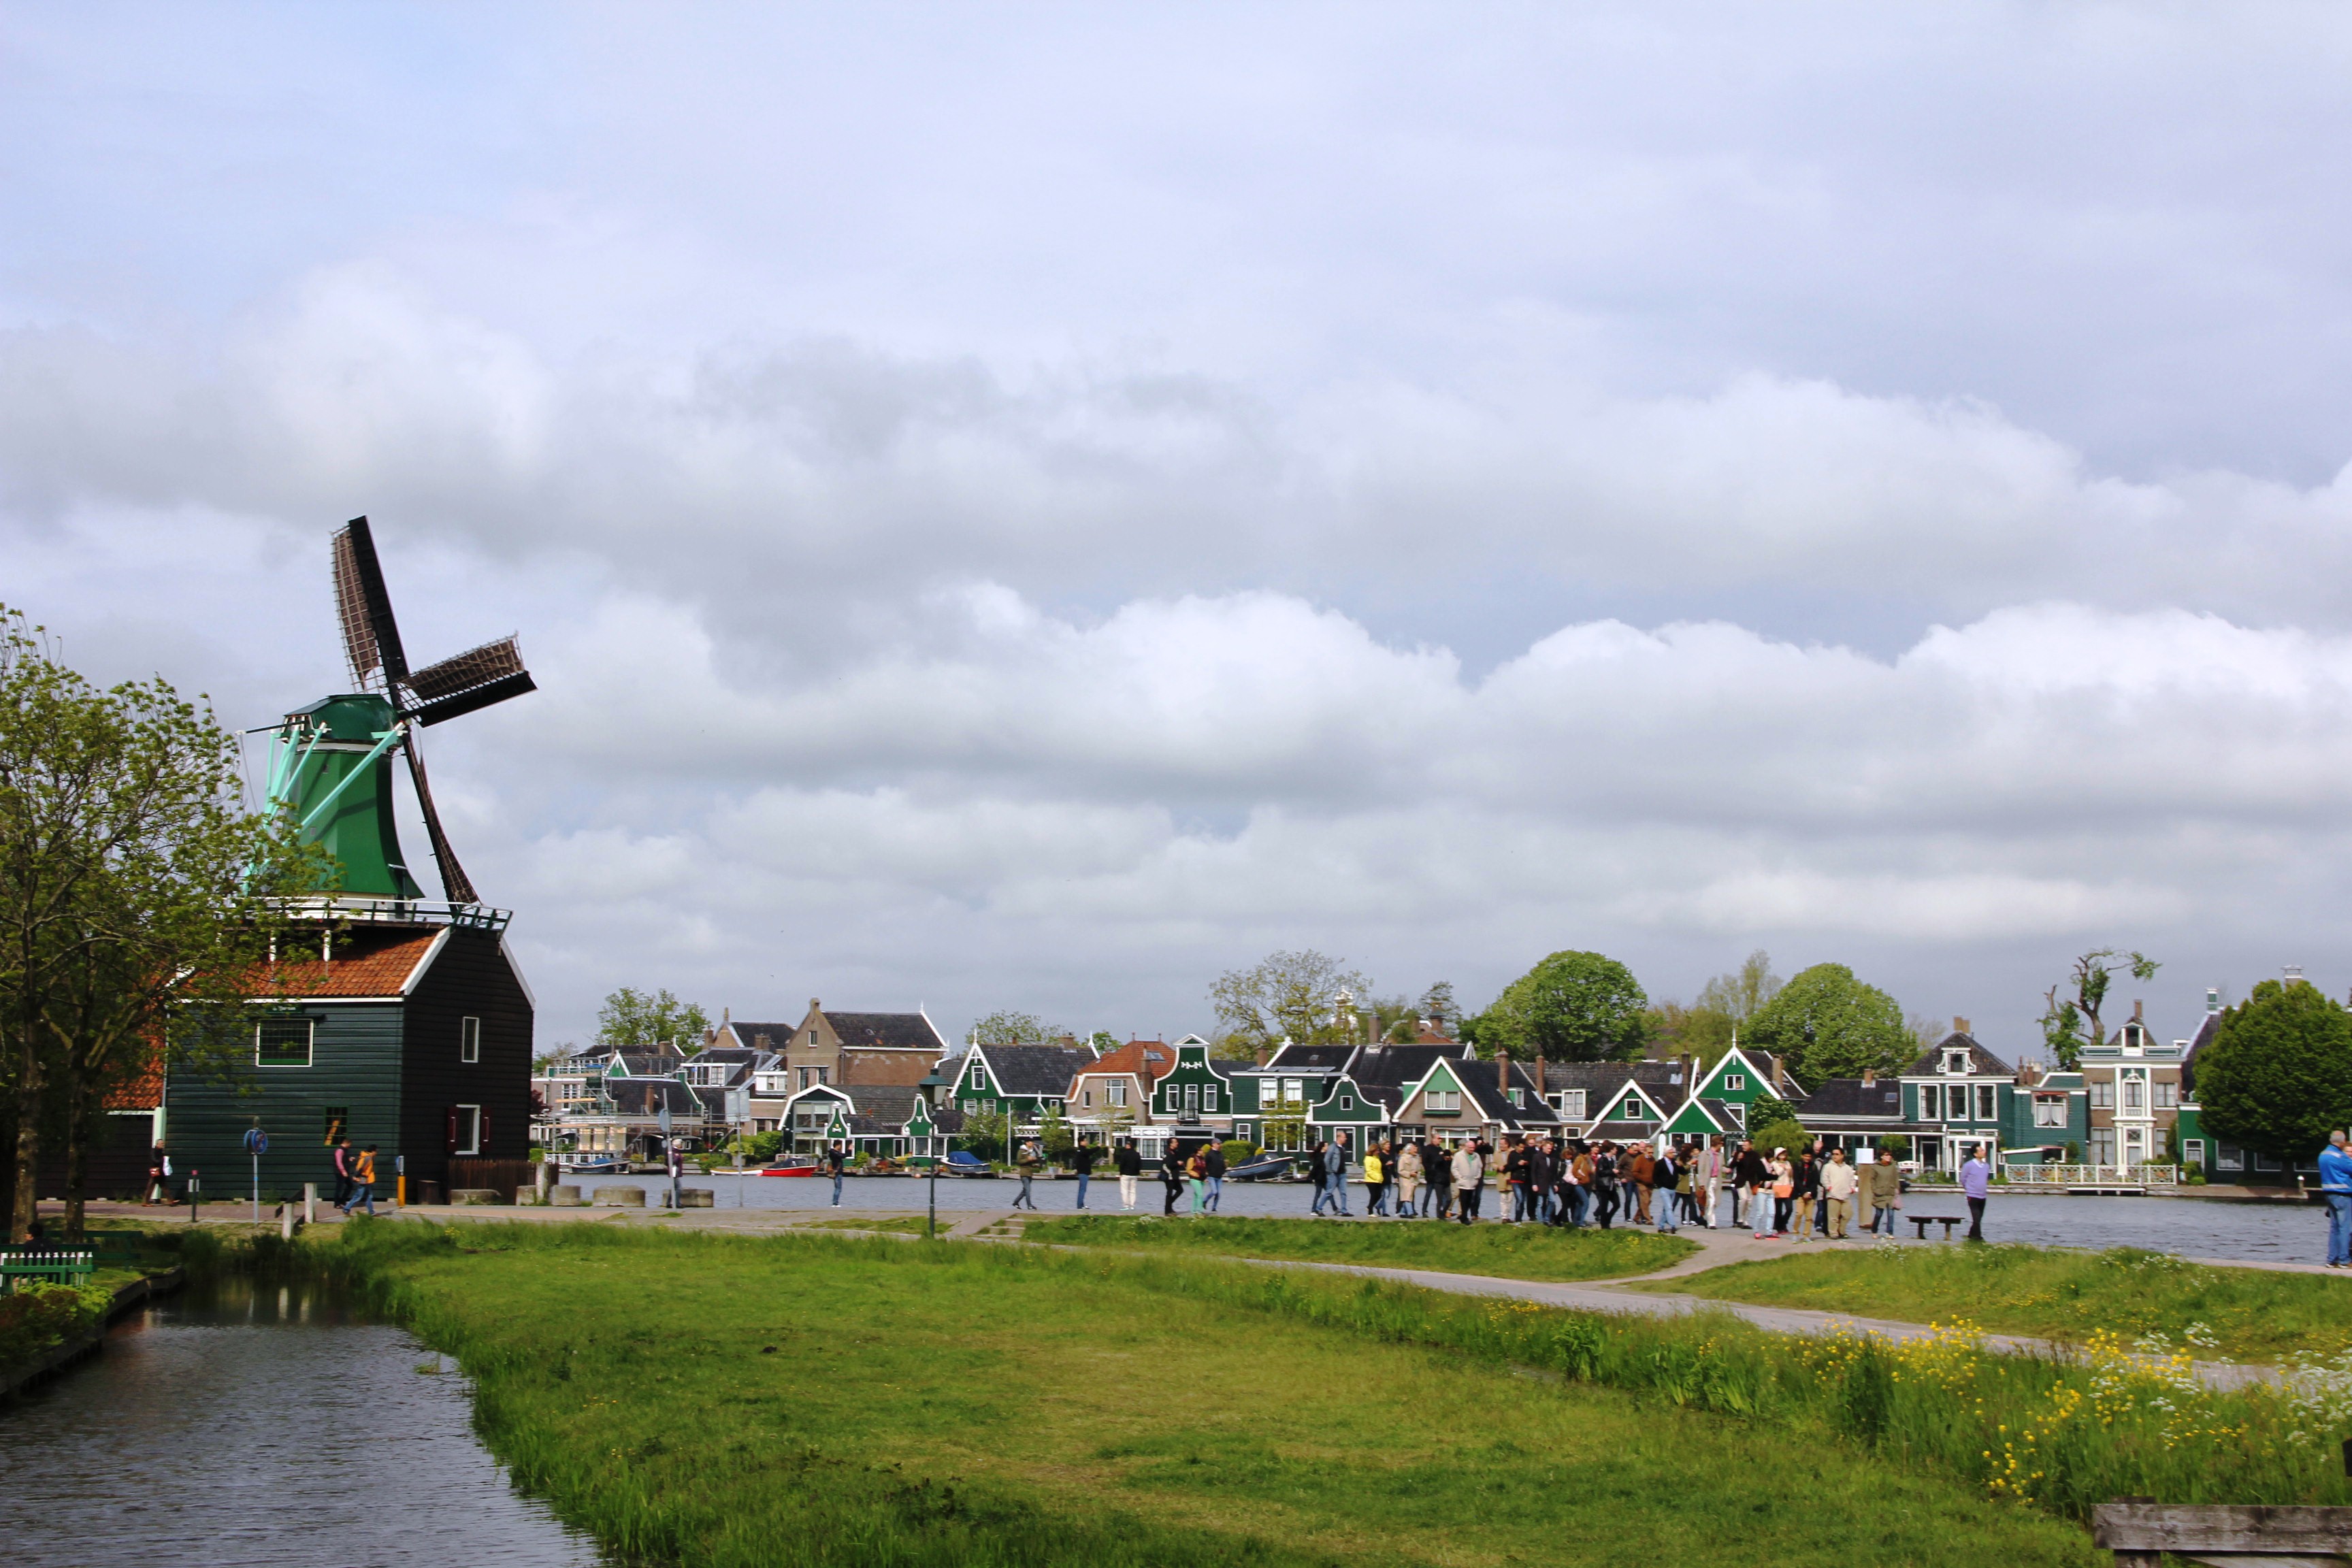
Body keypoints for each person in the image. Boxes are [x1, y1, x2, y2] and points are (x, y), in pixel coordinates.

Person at [2321, 1130, 2352, 1269]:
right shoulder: (2340, 1156)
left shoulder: (2323, 1155)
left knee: (2334, 1228)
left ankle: (2331, 1260)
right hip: (2342, 1195)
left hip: (2329, 1195)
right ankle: (2344, 1260)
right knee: (2344, 1228)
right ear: (2342, 1142)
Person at [1734, 1141, 1774, 1239]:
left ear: (1750, 1146)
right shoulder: (1739, 1153)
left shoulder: (1755, 1155)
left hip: (1751, 1181)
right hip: (1741, 1181)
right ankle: (1740, 1219)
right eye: (1743, 1145)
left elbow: (1757, 1168)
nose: (1744, 1147)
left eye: (1746, 1145)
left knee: (1750, 1202)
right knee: (1743, 1199)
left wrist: (1759, 1180)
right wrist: (1738, 1159)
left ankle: (1746, 1221)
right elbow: (1732, 1165)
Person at [1820, 1147, 1858, 1239]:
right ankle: (1833, 1233)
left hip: (1845, 1195)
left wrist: (1852, 1188)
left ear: (1842, 1156)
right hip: (1833, 1195)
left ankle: (1841, 1231)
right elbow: (1824, 1178)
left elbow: (1852, 1179)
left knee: (1848, 1214)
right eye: (1833, 1154)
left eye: (1837, 1154)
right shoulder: (1828, 1166)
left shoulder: (1847, 1168)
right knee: (1833, 1217)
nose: (1834, 1156)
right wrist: (1828, 1187)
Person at [1863, 1150, 1902, 1235]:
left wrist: (1897, 1189)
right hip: (1880, 1194)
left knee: (1891, 1215)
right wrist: (1875, 1190)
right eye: (1887, 1155)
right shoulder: (1876, 1167)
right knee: (1878, 1214)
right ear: (1882, 1156)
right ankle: (1874, 1230)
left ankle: (1889, 1232)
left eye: (1890, 1155)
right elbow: (1872, 1180)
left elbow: (1896, 1178)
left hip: (1891, 1193)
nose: (1889, 1157)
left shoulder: (1893, 1166)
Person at [1959, 1144, 1991, 1241]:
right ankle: (1978, 1238)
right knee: (1976, 1217)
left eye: (1983, 1150)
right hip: (1972, 1195)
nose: (1984, 1152)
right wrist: (1969, 1189)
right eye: (1981, 1151)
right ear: (1975, 1154)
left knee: (1979, 1218)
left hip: (1983, 1196)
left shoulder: (1986, 1166)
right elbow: (1963, 1179)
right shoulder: (1968, 1165)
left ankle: (1971, 1235)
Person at [1788, 1147, 1818, 1241]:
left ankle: (1806, 1235)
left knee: (1809, 1217)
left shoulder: (1814, 1166)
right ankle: (1795, 1233)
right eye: (1805, 1156)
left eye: (1809, 1156)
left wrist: (1809, 1192)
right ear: (1802, 1156)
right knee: (1799, 1214)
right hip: (1800, 1194)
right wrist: (1803, 1192)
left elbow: (1815, 1181)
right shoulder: (1797, 1165)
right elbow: (1797, 1180)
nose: (1807, 1158)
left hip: (1811, 1195)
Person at [1451, 1140, 1484, 1224]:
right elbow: (1454, 1168)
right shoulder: (1459, 1155)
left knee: (1470, 1201)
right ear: (1466, 1147)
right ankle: (1464, 1217)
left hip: (1472, 1183)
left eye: (1473, 1148)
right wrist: (1459, 1178)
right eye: (1470, 1148)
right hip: (1463, 1182)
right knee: (1464, 1200)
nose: (1472, 1149)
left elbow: (1480, 1167)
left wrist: (1477, 1177)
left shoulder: (1476, 1156)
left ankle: (1464, 1216)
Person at [339, 1145, 378, 1215]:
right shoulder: (368, 1158)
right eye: (376, 1151)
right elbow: (361, 1168)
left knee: (369, 1196)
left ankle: (371, 1212)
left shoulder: (366, 1157)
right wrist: (356, 1176)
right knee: (359, 1195)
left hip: (367, 1179)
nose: (377, 1153)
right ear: (373, 1151)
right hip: (364, 1178)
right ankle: (346, 1209)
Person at [1324, 1132, 1354, 1216]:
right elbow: (1327, 1160)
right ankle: (1319, 1208)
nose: (1346, 1139)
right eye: (1344, 1137)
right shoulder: (1333, 1147)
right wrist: (1330, 1171)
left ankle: (1344, 1210)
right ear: (1339, 1138)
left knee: (1343, 1193)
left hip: (1342, 1174)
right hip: (1334, 1174)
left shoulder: (1342, 1149)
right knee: (1329, 1192)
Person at [1591, 1143, 1620, 1230]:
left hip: (1611, 1186)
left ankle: (1607, 1219)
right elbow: (1600, 1172)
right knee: (1604, 1206)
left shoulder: (1612, 1160)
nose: (1616, 1150)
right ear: (1611, 1149)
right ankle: (1604, 1225)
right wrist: (1612, 1171)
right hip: (1604, 1186)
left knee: (1617, 1204)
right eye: (1615, 1149)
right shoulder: (1602, 1159)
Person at [1652, 1144, 1679, 1232]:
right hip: (1664, 1189)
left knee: (1666, 1208)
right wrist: (1660, 1185)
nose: (1673, 1154)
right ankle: (1673, 1225)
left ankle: (1661, 1226)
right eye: (1671, 1153)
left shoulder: (1674, 1163)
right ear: (1666, 1153)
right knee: (1669, 1207)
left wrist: (1681, 1165)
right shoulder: (1660, 1163)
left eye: (1674, 1153)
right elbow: (1655, 1176)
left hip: (1673, 1188)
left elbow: (1682, 1172)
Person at [1423, 1137, 1452, 1219]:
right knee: (1428, 1194)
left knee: (1446, 1198)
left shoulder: (1440, 1149)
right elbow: (1425, 1161)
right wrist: (1430, 1171)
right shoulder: (1428, 1148)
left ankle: (1443, 1213)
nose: (1440, 1140)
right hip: (1431, 1176)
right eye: (1438, 1138)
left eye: (1441, 1139)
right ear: (1433, 1139)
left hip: (1442, 1179)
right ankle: (1424, 1211)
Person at [1628, 1143, 1656, 1225]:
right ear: (1645, 1152)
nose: (1651, 1154)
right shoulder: (1639, 1159)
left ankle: (1636, 1217)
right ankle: (1648, 1219)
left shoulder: (1653, 1160)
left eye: (1652, 1152)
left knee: (1646, 1202)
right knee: (1646, 1200)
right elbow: (1634, 1172)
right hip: (1641, 1183)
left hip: (1650, 1183)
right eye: (1649, 1152)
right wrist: (1643, 1178)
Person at [1396, 1139, 1424, 1218]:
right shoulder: (1403, 1158)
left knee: (1409, 1197)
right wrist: (1409, 1174)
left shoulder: (1416, 1158)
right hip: (1405, 1180)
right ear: (1409, 1150)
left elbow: (1419, 1169)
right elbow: (1400, 1171)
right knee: (1407, 1197)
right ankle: (1410, 1212)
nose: (1416, 1150)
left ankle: (1403, 1212)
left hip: (1414, 1181)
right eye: (1414, 1149)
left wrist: (1417, 1175)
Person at [1012, 1140, 1043, 1210]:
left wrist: (1035, 1163)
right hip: (1024, 1173)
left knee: (1025, 1190)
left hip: (1029, 1173)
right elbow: (1019, 1161)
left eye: (1032, 1142)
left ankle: (1016, 1202)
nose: (1032, 1143)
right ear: (1026, 1143)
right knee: (1028, 1189)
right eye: (1030, 1142)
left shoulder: (1032, 1151)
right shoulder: (1021, 1151)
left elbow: (1031, 1162)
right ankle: (1029, 1205)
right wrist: (1028, 1159)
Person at [1115, 1137, 1142, 1211]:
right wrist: (1137, 1172)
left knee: (1125, 1190)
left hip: (1125, 1175)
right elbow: (1139, 1165)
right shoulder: (1137, 1154)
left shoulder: (1124, 1154)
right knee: (1133, 1191)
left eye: (1127, 1144)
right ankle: (1132, 1205)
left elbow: (1122, 1165)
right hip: (1134, 1175)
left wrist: (1121, 1173)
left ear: (1129, 1145)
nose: (1126, 1146)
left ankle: (1126, 1205)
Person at [1160, 1141, 1187, 1215]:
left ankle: (1169, 1206)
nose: (1177, 1143)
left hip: (1175, 1175)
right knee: (1169, 1193)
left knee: (1180, 1190)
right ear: (1171, 1144)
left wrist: (1181, 1164)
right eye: (1175, 1142)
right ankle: (1167, 1211)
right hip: (1169, 1176)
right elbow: (1169, 1165)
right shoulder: (1168, 1153)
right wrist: (1177, 1163)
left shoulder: (1175, 1152)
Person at [1071, 1139, 1098, 1209]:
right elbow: (1090, 1152)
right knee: (1083, 1189)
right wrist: (1098, 1147)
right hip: (1083, 1173)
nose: (1087, 1142)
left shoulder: (1079, 1151)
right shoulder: (1083, 1151)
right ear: (1081, 1142)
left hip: (1081, 1173)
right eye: (1085, 1141)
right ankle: (1080, 1205)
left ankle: (1081, 1204)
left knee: (1082, 1189)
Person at [1365, 1141, 1388, 1216]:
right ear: (1373, 1150)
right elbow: (1369, 1170)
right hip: (1370, 1180)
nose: (1378, 1152)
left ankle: (1369, 1206)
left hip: (1378, 1180)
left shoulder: (1377, 1158)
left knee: (1379, 1195)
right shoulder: (1368, 1158)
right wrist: (1376, 1177)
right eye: (1377, 1150)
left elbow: (1379, 1168)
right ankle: (1370, 1212)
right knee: (1373, 1195)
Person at [329, 1136, 353, 1209]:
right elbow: (339, 1162)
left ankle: (342, 1200)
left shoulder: (344, 1150)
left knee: (350, 1185)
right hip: (340, 1172)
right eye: (349, 1144)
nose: (350, 1146)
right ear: (347, 1143)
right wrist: (343, 1171)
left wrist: (349, 1159)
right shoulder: (340, 1150)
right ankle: (337, 1203)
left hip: (343, 1172)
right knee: (339, 1187)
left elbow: (343, 1159)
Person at [1203, 1140, 1226, 1212]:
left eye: (1220, 1144)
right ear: (1213, 1144)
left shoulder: (1220, 1154)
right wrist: (1205, 1175)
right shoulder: (1209, 1154)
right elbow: (1205, 1165)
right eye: (1218, 1144)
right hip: (1211, 1176)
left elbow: (1223, 1165)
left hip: (1219, 1177)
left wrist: (1223, 1171)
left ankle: (1214, 1208)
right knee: (1214, 1192)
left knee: (1218, 1194)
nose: (1219, 1145)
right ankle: (1204, 1201)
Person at [1186, 1143, 1209, 1215]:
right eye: (1201, 1150)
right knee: (1200, 1194)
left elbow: (1204, 1169)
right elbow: (1188, 1169)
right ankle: (1200, 1210)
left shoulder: (1203, 1159)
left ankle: (1193, 1210)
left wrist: (1205, 1177)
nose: (1203, 1152)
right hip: (1194, 1179)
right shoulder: (1192, 1159)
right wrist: (1195, 1174)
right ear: (1198, 1151)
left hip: (1201, 1179)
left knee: (1196, 1195)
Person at [144, 1143, 171, 1207]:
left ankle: (170, 1200)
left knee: (164, 1186)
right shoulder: (154, 1151)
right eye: (161, 1144)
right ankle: (146, 1202)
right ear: (157, 1144)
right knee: (151, 1186)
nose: (163, 1145)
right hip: (155, 1171)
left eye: (163, 1144)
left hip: (160, 1172)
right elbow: (155, 1160)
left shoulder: (161, 1151)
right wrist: (163, 1159)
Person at [826, 1139, 849, 1207]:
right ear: (838, 1145)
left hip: (836, 1172)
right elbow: (843, 1156)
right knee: (838, 1188)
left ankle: (835, 1203)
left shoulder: (833, 1153)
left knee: (837, 1188)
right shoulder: (834, 1153)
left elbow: (842, 1155)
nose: (841, 1147)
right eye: (840, 1145)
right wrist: (849, 1150)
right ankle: (835, 1203)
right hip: (838, 1172)